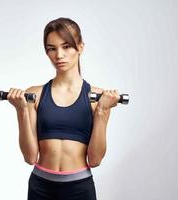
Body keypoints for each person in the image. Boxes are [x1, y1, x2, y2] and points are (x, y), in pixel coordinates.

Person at [7, 17, 120, 200]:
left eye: (66, 46)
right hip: (40, 187)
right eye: (52, 49)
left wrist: (102, 112)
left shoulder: (97, 98)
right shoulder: (35, 95)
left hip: (79, 188)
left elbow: (95, 160)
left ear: (80, 47)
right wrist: (21, 111)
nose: (59, 55)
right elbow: (30, 157)